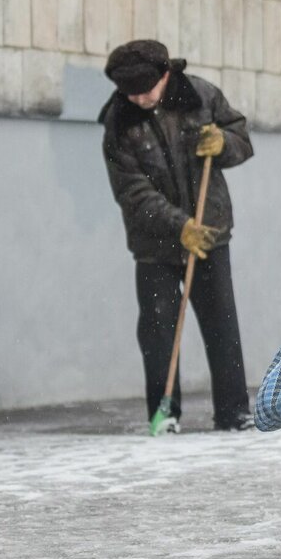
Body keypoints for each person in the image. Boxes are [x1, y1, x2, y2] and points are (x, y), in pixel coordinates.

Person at [99, 40, 255, 434]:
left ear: (165, 74)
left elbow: (241, 138)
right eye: (130, 92)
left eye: (145, 89)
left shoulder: (200, 95)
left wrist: (224, 144)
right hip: (155, 244)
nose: (139, 98)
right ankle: (165, 412)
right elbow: (132, 192)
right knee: (158, 331)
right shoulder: (118, 120)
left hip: (208, 231)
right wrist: (178, 226)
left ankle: (234, 412)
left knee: (222, 326)